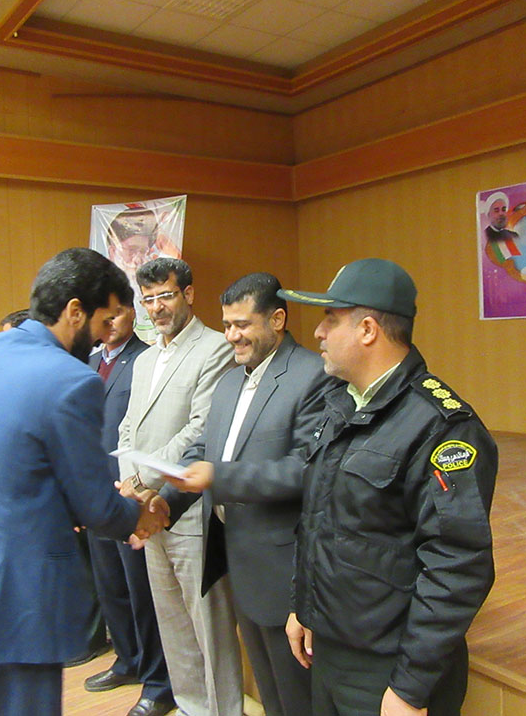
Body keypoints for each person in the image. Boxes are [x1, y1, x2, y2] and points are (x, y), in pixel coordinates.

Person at [0, 247, 169, 716]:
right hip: (8, 606)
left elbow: (6, 467)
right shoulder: (71, 378)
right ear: (74, 312)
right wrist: (140, 515)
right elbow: (95, 506)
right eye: (105, 319)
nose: (107, 333)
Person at [279, 259, 497, 716]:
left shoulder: (442, 427)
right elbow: (317, 522)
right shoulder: (340, 405)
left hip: (388, 669)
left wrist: (411, 688)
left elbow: (458, 567)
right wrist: (304, 607)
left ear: (367, 330)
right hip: (330, 650)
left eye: (330, 319)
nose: (318, 332)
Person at [161, 272, 340, 716]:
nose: (231, 336)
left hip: (285, 569)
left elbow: (306, 469)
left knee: (298, 699)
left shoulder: (312, 376)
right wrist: (164, 501)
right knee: (270, 693)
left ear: (277, 319)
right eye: (226, 325)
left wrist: (218, 478)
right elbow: (202, 449)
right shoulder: (229, 382)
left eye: (242, 325)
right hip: (239, 563)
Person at [117, 257, 241, 716]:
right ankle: (191, 706)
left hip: (189, 507)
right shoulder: (145, 359)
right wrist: (133, 486)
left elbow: (199, 430)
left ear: (188, 294)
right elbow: (128, 428)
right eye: (148, 299)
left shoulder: (214, 348)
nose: (157, 307)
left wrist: (144, 481)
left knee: (209, 627)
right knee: (172, 623)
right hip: (148, 507)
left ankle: (223, 710)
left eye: (165, 295)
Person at [85, 303, 174, 716]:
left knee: (141, 591)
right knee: (110, 586)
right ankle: (127, 660)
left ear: (132, 315)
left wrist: (134, 487)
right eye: (102, 315)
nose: (109, 322)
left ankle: (156, 676)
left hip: (130, 493)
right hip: (94, 495)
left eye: (117, 313)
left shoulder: (144, 359)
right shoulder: (89, 362)